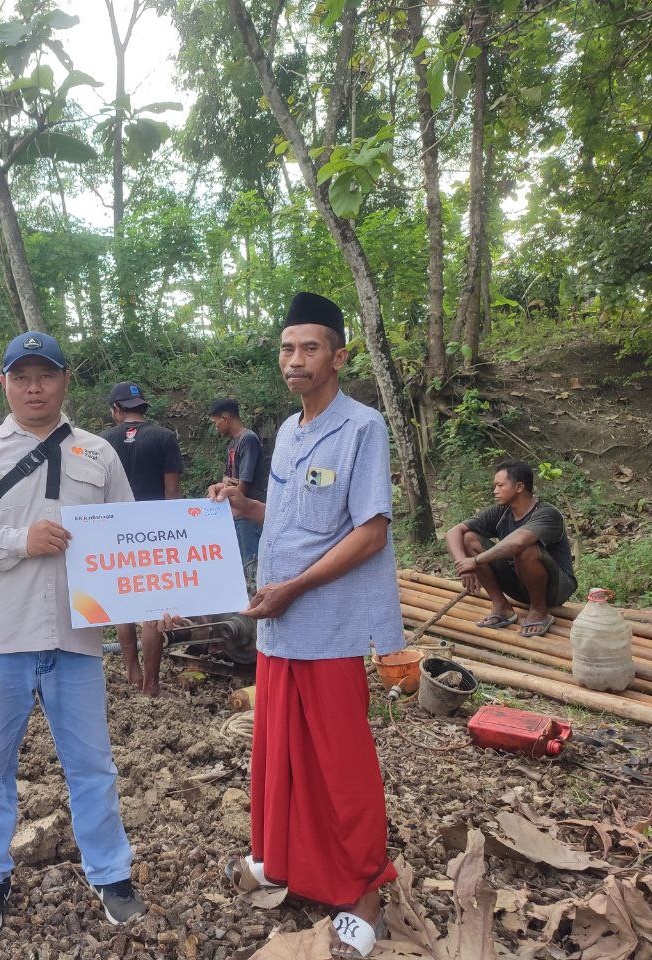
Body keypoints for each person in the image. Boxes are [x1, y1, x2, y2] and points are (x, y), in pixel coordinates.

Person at [186, 292, 402, 959]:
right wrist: (242, 503)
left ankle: (364, 887)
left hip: (328, 625)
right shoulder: (289, 432)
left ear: (338, 356)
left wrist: (295, 589)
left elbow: (370, 533)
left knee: (342, 763)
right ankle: (276, 859)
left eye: (310, 348)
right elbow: (281, 518)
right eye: (286, 347)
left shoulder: (361, 428)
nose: (296, 359)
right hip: (278, 628)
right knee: (278, 754)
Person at [0, 332, 147, 942]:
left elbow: (128, 538)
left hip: (76, 640)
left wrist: (159, 596)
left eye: (45, 375)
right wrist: (16, 542)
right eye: (21, 376)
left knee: (92, 766)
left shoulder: (98, 454)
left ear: (64, 381)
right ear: (5, 383)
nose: (33, 387)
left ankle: (110, 874)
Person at [102, 381, 183, 696]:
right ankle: (151, 684)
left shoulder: (102, 443)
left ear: (117, 410)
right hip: (154, 530)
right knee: (152, 607)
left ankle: (132, 673)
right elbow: (172, 490)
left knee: (123, 600)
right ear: (141, 408)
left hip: (114, 529)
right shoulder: (164, 437)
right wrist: (176, 534)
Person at [446, 459, 578, 638]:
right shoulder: (500, 512)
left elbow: (518, 542)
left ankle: (539, 611)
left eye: (500, 485)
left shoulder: (547, 513)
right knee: (469, 538)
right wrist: (463, 565)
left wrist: (475, 561)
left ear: (519, 487)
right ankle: (502, 606)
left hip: (555, 589)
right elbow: (454, 532)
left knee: (525, 548)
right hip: (519, 584)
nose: (495, 491)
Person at [208, 398, 264, 572]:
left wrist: (230, 503)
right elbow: (231, 478)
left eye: (215, 422)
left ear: (225, 418)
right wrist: (220, 487)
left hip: (249, 513)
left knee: (251, 566)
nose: (215, 426)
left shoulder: (248, 439)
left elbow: (244, 482)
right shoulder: (234, 443)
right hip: (237, 513)